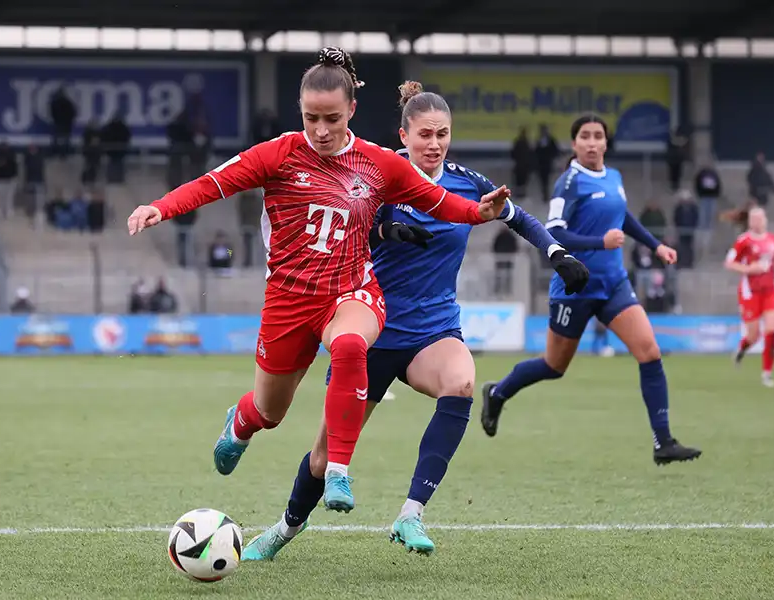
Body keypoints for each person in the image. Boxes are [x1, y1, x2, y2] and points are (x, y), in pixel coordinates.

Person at [127, 47, 514, 513]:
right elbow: (213, 183)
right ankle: (241, 422)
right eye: (312, 117)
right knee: (270, 411)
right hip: (289, 300)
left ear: (351, 110)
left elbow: (435, 199)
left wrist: (476, 212)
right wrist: (160, 208)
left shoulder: (377, 163)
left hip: (352, 291)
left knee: (352, 345)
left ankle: (337, 472)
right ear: (301, 111)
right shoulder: (278, 154)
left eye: (332, 117)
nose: (322, 130)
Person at [240, 81, 589, 560]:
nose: (434, 143)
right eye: (424, 134)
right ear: (402, 135)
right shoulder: (377, 176)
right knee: (323, 458)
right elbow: (347, 227)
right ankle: (283, 529)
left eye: (442, 134)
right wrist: (385, 229)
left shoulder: (467, 182)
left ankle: (411, 513)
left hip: (433, 328)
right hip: (371, 328)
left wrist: (557, 252)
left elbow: (516, 216)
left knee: (462, 380)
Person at [480, 114, 702, 466]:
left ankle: (664, 442)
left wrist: (656, 245)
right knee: (554, 365)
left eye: (598, 136)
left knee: (649, 352)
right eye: (585, 136)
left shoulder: (613, 177)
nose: (592, 142)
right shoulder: (568, 183)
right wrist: (600, 241)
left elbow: (623, 217)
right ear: (574, 144)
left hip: (614, 284)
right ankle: (498, 392)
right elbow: (554, 231)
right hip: (575, 287)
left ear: (606, 142)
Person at [725, 206, 774, 388]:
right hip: (750, 292)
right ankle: (742, 349)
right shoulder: (743, 241)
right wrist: (750, 269)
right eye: (754, 219)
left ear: (765, 220)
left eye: (760, 218)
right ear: (750, 221)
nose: (757, 222)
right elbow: (729, 263)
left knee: (771, 330)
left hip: (770, 291)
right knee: (753, 335)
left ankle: (767, 373)